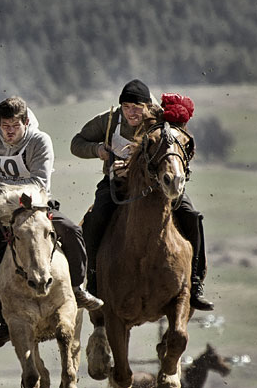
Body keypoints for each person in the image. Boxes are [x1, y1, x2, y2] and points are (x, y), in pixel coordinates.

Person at [0, 96, 103, 350]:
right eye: (5, 126)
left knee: (72, 231)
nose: (9, 132)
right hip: (4, 215)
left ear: (25, 122)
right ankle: (3, 321)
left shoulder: (39, 141)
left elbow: (39, 184)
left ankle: (78, 288)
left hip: (37, 208)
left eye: (15, 125)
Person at [70, 79, 214, 311]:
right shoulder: (108, 120)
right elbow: (76, 143)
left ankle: (195, 283)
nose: (131, 113)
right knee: (95, 218)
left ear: (148, 106)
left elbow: (183, 145)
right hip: (116, 184)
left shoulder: (161, 120)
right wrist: (97, 150)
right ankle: (93, 282)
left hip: (156, 188)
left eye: (136, 108)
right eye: (126, 107)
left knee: (192, 216)